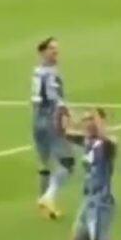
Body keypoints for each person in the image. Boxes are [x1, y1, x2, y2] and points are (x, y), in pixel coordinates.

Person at [65, 108, 119, 240]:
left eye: (91, 120)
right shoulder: (87, 141)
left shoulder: (108, 145)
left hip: (102, 203)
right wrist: (67, 119)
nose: (87, 123)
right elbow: (66, 133)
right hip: (87, 202)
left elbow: (107, 142)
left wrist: (98, 122)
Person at [31, 36, 74, 220]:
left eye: (57, 49)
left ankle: (45, 208)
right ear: (42, 52)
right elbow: (55, 99)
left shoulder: (36, 72)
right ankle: (48, 197)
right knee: (68, 163)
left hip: (37, 121)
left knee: (45, 164)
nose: (56, 52)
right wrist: (65, 116)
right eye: (51, 49)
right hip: (51, 121)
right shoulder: (51, 74)